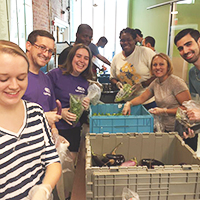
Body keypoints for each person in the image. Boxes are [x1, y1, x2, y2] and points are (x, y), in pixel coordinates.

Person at [0, 40, 61, 200]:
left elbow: (52, 160)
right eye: (3, 79)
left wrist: (44, 188)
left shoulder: (35, 112)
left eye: (21, 78)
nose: (14, 86)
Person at [122, 53, 191, 132]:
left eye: (161, 64)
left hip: (181, 129)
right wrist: (129, 103)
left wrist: (164, 111)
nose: (158, 67)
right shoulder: (156, 83)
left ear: (168, 66)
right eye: (155, 65)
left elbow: (187, 108)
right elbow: (142, 97)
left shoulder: (176, 83)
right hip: (165, 128)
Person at [48, 44, 93, 162]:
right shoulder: (55, 75)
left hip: (73, 130)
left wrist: (85, 106)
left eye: (86, 58)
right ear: (71, 57)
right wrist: (60, 112)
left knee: (70, 165)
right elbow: (45, 100)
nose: (82, 61)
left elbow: (81, 110)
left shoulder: (84, 82)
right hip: (55, 129)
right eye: (79, 56)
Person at [110, 27, 156, 109]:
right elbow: (112, 77)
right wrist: (117, 83)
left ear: (135, 40)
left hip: (147, 102)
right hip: (127, 103)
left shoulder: (146, 53)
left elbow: (158, 74)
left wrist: (142, 85)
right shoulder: (116, 58)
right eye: (122, 40)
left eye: (129, 40)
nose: (125, 43)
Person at [23, 30, 62, 127]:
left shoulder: (46, 79)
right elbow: (7, 114)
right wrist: (42, 117)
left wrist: (54, 132)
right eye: (42, 47)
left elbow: (51, 110)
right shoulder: (15, 76)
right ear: (28, 45)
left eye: (50, 51)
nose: (46, 54)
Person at [174, 28, 200, 100]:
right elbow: (196, 101)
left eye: (188, 44)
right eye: (180, 48)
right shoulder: (192, 73)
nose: (185, 51)